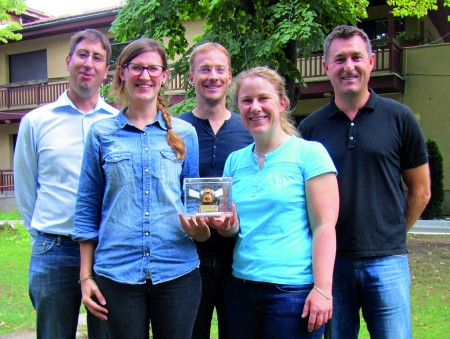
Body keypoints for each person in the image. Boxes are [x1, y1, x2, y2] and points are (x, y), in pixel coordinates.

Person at [182, 66, 339, 338]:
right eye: (247, 101)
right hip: (240, 289)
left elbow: (325, 226)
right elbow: (234, 228)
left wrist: (323, 289)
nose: (255, 108)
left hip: (292, 292)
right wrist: (226, 226)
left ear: (281, 103)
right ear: (238, 108)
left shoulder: (310, 154)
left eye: (263, 98)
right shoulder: (235, 160)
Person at [299, 25, 431, 339]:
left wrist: (393, 232)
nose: (349, 66)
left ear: (371, 61)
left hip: (388, 262)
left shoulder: (400, 118)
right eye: (340, 59)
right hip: (332, 265)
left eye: (357, 57)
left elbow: (421, 190)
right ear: (326, 67)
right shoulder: (310, 128)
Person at [71, 38, 204, 339]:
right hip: (117, 273)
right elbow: (87, 207)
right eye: (137, 68)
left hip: (177, 271)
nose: (145, 76)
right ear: (122, 73)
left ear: (165, 75)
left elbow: (195, 205)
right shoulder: (101, 134)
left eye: (153, 68)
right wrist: (85, 276)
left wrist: (203, 228)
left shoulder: (185, 134)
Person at [13, 29, 118, 339]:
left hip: (106, 251)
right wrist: (40, 237)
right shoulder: (36, 121)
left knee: (109, 333)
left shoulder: (117, 123)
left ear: (105, 70)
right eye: (82, 54)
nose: (88, 63)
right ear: (68, 61)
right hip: (53, 249)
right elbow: (25, 188)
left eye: (97, 58)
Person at [178, 42, 253, 339]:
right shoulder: (174, 128)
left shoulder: (248, 128)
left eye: (220, 69)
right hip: (187, 256)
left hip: (238, 256)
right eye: (205, 69)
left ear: (230, 76)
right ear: (191, 77)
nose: (213, 76)